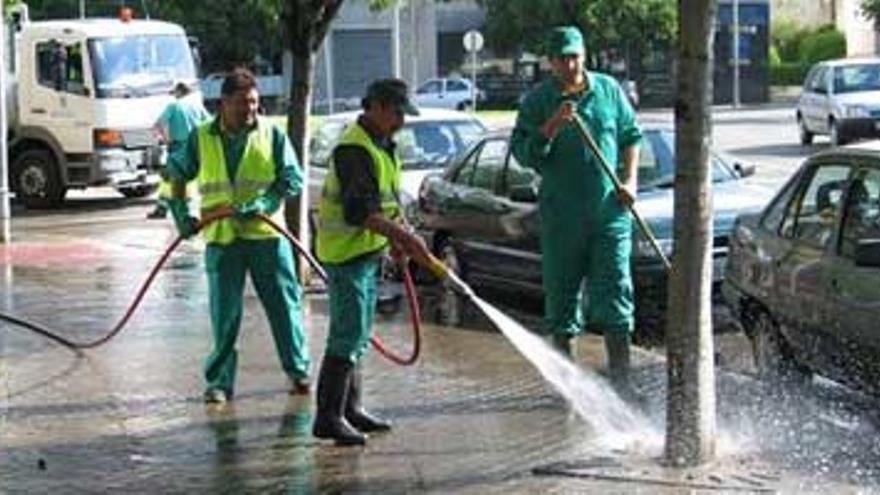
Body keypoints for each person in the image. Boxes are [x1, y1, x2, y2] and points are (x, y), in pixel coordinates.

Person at [165, 68, 310, 404]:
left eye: (255, 103)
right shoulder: (202, 137)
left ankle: (298, 371)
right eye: (244, 103)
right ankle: (219, 382)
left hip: (266, 237)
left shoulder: (270, 134)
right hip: (222, 238)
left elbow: (292, 178)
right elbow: (177, 171)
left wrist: (266, 201)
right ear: (224, 103)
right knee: (225, 314)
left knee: (284, 307)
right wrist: (181, 212)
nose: (251, 110)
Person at [510, 26, 642, 393]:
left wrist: (629, 181)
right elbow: (524, 155)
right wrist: (551, 125)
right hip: (562, 219)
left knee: (616, 293)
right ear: (551, 62)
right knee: (562, 301)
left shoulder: (608, 91)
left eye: (575, 57)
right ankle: (569, 388)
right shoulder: (538, 101)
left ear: (585, 55)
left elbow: (631, 136)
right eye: (562, 58)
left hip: (609, 214)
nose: (569, 64)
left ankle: (622, 382)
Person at [312, 78, 434, 445]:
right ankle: (328, 418)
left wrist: (398, 234)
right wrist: (405, 238)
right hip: (346, 254)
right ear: (377, 107)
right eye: (397, 112)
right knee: (346, 335)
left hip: (367, 253)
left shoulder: (384, 144)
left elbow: (386, 204)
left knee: (359, 336)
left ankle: (351, 409)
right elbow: (358, 212)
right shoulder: (354, 148)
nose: (401, 121)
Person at [147, 81, 211, 219]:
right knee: (191, 178)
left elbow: (158, 125)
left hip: (178, 147)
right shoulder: (197, 107)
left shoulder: (173, 106)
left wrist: (166, 140)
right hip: (196, 146)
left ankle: (163, 206)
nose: (173, 95)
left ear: (179, 92)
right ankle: (183, 205)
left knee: (170, 178)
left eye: (174, 93)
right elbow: (209, 124)